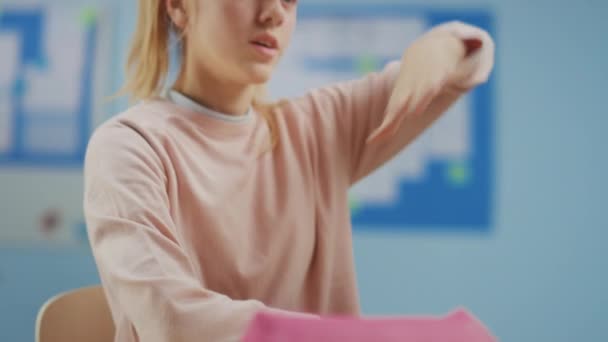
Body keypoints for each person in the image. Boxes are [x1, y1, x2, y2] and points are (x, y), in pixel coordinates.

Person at [83, 0, 495, 341]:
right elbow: (172, 320)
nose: (274, 13)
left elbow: (471, 56)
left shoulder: (318, 129)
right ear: (176, 5)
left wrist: (442, 47)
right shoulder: (130, 146)